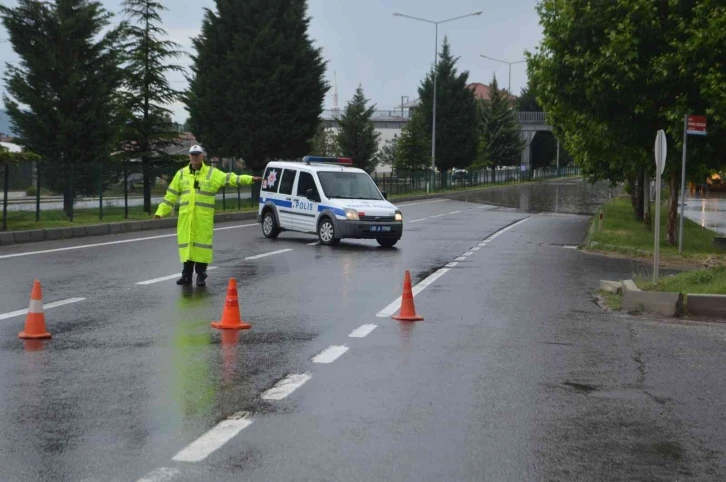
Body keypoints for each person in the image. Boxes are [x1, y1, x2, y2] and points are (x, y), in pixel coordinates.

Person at [154, 145, 261, 286]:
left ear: (202, 156)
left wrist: (250, 178)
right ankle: (186, 276)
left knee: (201, 248)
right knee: (187, 247)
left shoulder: (212, 173)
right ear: (189, 156)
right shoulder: (181, 174)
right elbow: (171, 195)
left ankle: (200, 276)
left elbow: (230, 178)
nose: (195, 157)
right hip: (186, 219)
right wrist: (161, 211)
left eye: (197, 154)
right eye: (192, 154)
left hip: (202, 219)